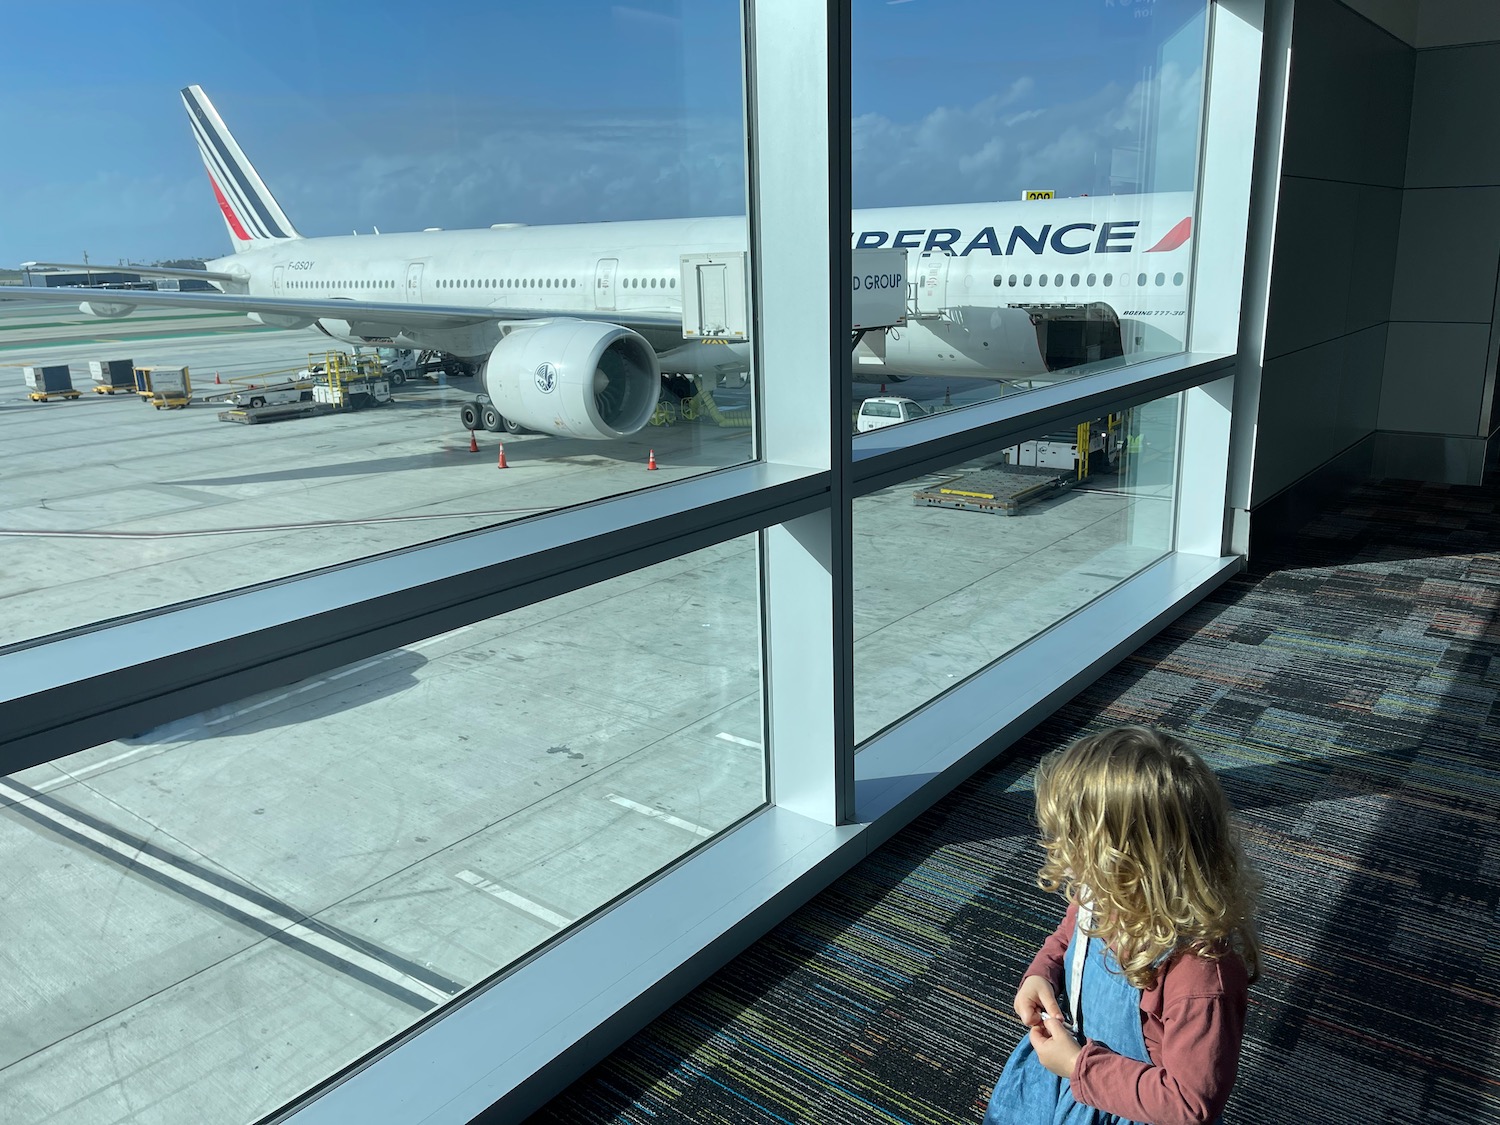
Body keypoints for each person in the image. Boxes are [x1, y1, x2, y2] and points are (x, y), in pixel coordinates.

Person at [981, 726, 1262, 1125]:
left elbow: (1190, 1104)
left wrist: (1080, 1066)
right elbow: (1068, 937)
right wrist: (1042, 972)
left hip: (1128, 1103)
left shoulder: (1200, 976)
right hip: (1063, 1073)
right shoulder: (1102, 892)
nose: (1059, 850)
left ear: (1128, 862)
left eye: (1073, 841)